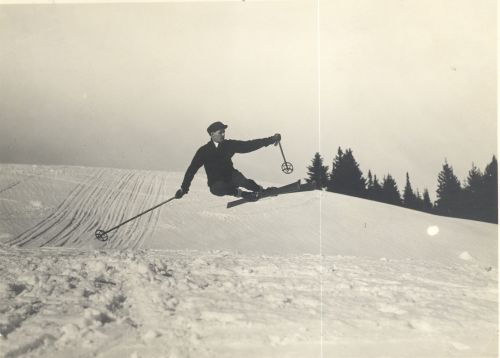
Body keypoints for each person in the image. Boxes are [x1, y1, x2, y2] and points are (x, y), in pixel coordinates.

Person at [175, 121, 281, 200]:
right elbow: (191, 170)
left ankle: (261, 190)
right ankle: (243, 194)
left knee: (243, 181)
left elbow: (249, 145)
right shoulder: (203, 151)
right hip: (216, 182)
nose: (223, 135)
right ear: (212, 134)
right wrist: (184, 189)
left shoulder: (229, 145)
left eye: (224, 132)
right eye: (220, 132)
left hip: (232, 176)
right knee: (217, 189)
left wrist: (271, 140)